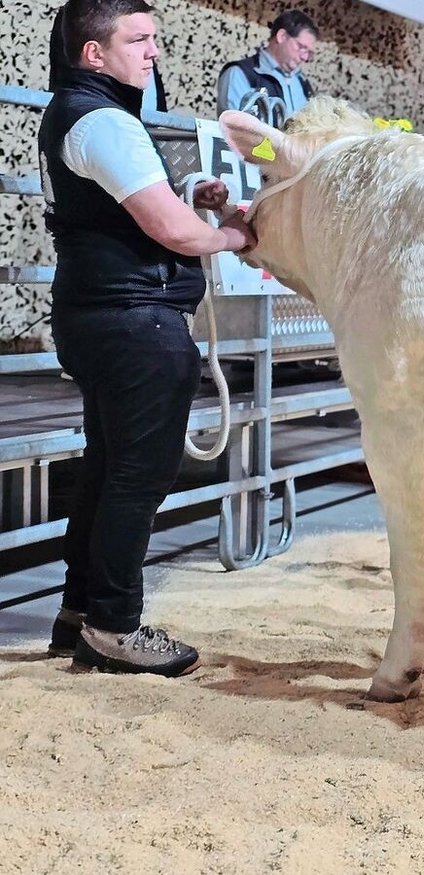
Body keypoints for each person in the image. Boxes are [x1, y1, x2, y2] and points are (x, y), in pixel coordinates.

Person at [40, 0, 256, 675]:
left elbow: (118, 201)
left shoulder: (78, 113)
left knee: (108, 469)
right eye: (138, 39)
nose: (153, 51)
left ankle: (79, 613)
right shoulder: (106, 120)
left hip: (101, 314)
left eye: (154, 38)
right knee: (138, 477)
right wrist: (236, 235)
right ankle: (114, 627)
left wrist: (189, 186)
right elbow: (173, 231)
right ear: (93, 53)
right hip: (136, 318)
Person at [216, 9, 318, 117]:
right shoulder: (239, 74)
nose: (304, 57)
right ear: (282, 36)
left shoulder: (302, 81)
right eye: (302, 47)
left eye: (309, 53)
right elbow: (234, 125)